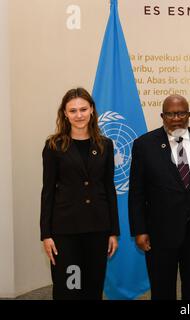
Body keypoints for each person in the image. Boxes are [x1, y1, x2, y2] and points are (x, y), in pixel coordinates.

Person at [128, 94, 190, 300]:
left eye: (181, 113)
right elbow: (137, 193)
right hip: (160, 234)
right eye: (171, 114)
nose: (176, 118)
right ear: (162, 116)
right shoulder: (144, 145)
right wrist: (139, 229)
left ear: (189, 114)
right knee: (162, 290)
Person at [40, 87, 119, 300]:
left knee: (93, 287)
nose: (79, 115)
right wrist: (46, 234)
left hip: (98, 229)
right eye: (73, 110)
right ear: (65, 113)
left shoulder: (105, 145)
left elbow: (109, 189)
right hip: (66, 232)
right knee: (69, 287)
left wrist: (113, 231)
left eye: (83, 109)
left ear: (92, 110)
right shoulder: (53, 146)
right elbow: (47, 192)